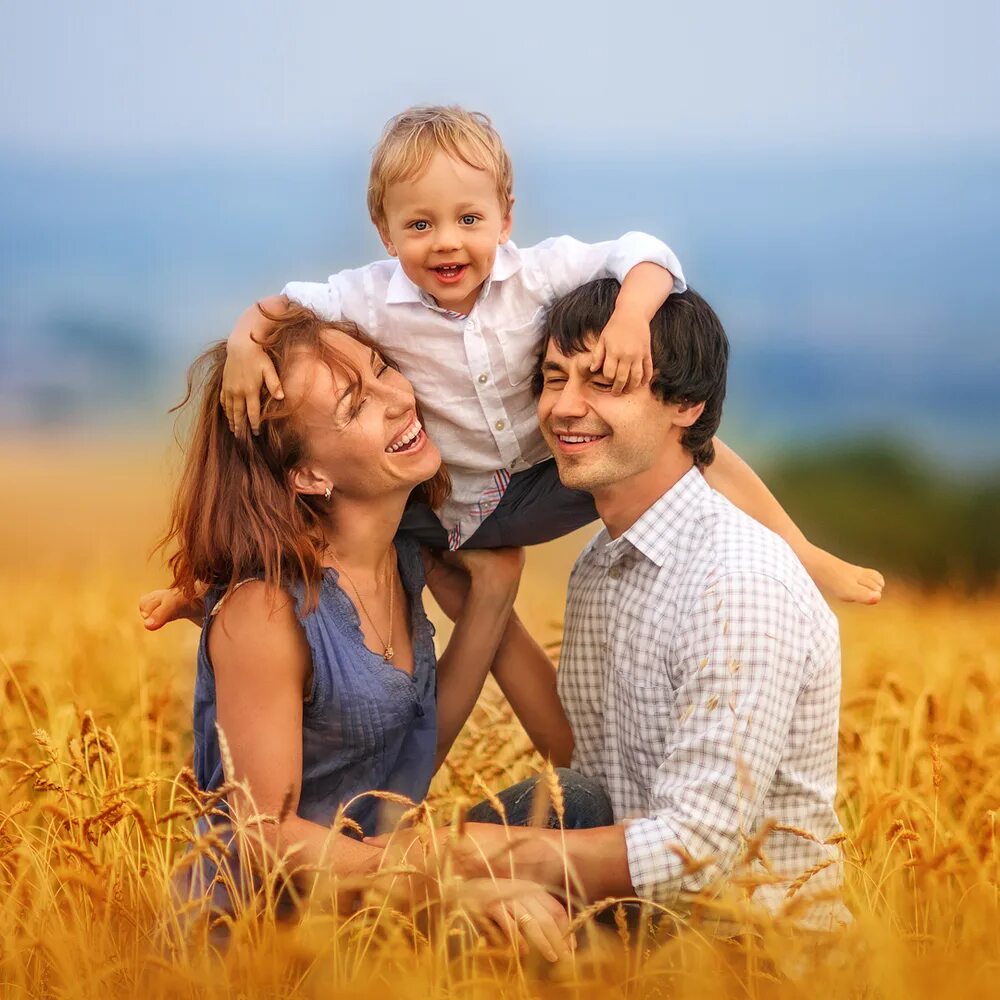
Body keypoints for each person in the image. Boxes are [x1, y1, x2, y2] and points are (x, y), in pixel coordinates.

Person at [202, 105, 880, 604]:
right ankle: (210, 590)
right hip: (448, 507)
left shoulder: (541, 271)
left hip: (555, 468)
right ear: (383, 233)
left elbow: (648, 254)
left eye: (469, 220)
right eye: (419, 225)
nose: (446, 243)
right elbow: (282, 305)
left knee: (693, 446)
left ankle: (802, 553)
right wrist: (241, 342)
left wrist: (633, 317)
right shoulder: (369, 297)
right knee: (317, 523)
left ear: (506, 217)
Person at [394, 280, 850, 932]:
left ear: (685, 406)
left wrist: (484, 855)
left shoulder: (738, 585)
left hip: (750, 965)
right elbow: (587, 760)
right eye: (555, 379)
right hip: (637, 947)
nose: (565, 408)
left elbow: (695, 847)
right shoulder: (603, 565)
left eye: (605, 383)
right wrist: (485, 602)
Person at [155, 303, 587, 960]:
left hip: (365, 910)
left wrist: (494, 592)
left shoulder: (402, 558)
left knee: (578, 807)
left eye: (384, 369)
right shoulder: (268, 609)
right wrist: (443, 879)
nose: (396, 399)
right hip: (251, 945)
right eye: (355, 405)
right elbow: (263, 836)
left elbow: (402, 759)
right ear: (307, 475)